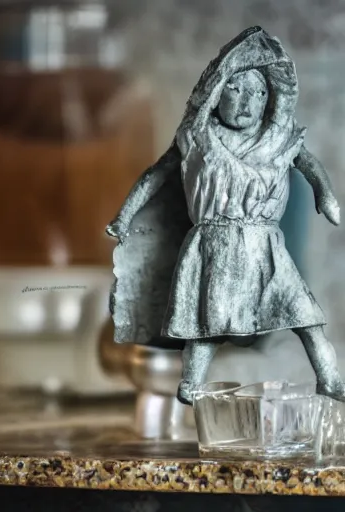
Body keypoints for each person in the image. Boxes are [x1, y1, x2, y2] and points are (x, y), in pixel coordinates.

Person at [107, 26, 344, 405]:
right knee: (207, 326)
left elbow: (308, 164)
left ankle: (330, 378)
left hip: (266, 248)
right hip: (214, 246)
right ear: (216, 93)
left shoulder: (277, 139)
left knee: (306, 316)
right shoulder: (197, 138)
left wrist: (325, 194)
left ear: (272, 98)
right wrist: (125, 215)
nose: (248, 100)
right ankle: (191, 383)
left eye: (259, 92)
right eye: (236, 88)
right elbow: (157, 174)